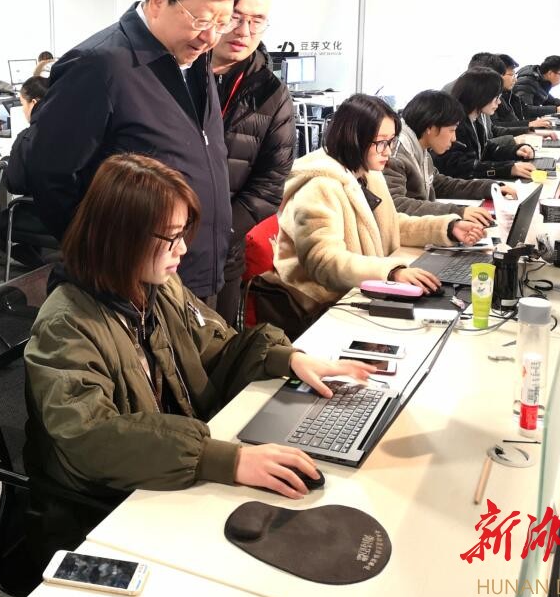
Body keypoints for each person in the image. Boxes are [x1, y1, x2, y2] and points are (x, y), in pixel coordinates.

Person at [24, 153, 373, 559]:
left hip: (164, 476)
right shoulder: (66, 324)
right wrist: (219, 459)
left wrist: (287, 359)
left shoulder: (156, 287)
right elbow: (91, 436)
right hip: (106, 509)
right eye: (171, 238)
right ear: (122, 237)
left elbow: (216, 348)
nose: (184, 249)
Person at [26, 0, 243, 301]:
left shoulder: (194, 58)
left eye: (222, 24)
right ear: (158, 0)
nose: (210, 37)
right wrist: (110, 258)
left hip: (196, 275)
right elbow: (49, 175)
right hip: (134, 285)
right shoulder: (100, 65)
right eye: (202, 21)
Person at [272, 94, 486, 320]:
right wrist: (390, 273)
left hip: (355, 291)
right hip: (323, 304)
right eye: (381, 142)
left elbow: (388, 225)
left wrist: (447, 228)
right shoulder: (319, 186)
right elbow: (324, 262)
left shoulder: (367, 173)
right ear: (354, 138)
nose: (388, 151)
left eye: (391, 141)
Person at [211, 0, 296, 326]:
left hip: (223, 252)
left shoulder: (272, 93)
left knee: (217, 347)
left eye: (256, 20)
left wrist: (218, 233)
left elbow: (271, 184)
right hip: (159, 248)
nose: (244, 31)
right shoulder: (178, 72)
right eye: (235, 16)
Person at [383, 90, 517, 226]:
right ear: (430, 127)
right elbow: (395, 204)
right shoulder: (396, 154)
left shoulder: (419, 147)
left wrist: (488, 188)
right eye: (452, 130)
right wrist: (457, 212)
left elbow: (439, 184)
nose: (454, 138)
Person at [0, 77, 55, 267]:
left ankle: (43, 267)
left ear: (34, 103)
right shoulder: (77, 130)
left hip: (45, 214)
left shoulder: (27, 137)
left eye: (22, 104)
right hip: (78, 213)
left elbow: (15, 184)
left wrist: (9, 162)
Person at [433, 67, 536, 180]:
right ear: (481, 96)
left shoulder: (475, 119)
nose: (499, 102)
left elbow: (485, 149)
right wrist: (508, 168)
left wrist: (515, 151)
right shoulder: (455, 124)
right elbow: (461, 167)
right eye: (496, 97)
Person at [512, 55, 560, 120]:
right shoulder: (526, 82)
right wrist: (556, 110)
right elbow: (524, 109)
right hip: (522, 126)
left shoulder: (540, 80)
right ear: (550, 73)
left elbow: (551, 101)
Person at [494, 54, 554, 132]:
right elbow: (495, 127)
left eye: (515, 75)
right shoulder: (490, 98)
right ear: (496, 75)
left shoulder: (508, 94)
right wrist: (528, 124)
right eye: (511, 75)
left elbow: (525, 111)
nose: (515, 80)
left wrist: (534, 123)